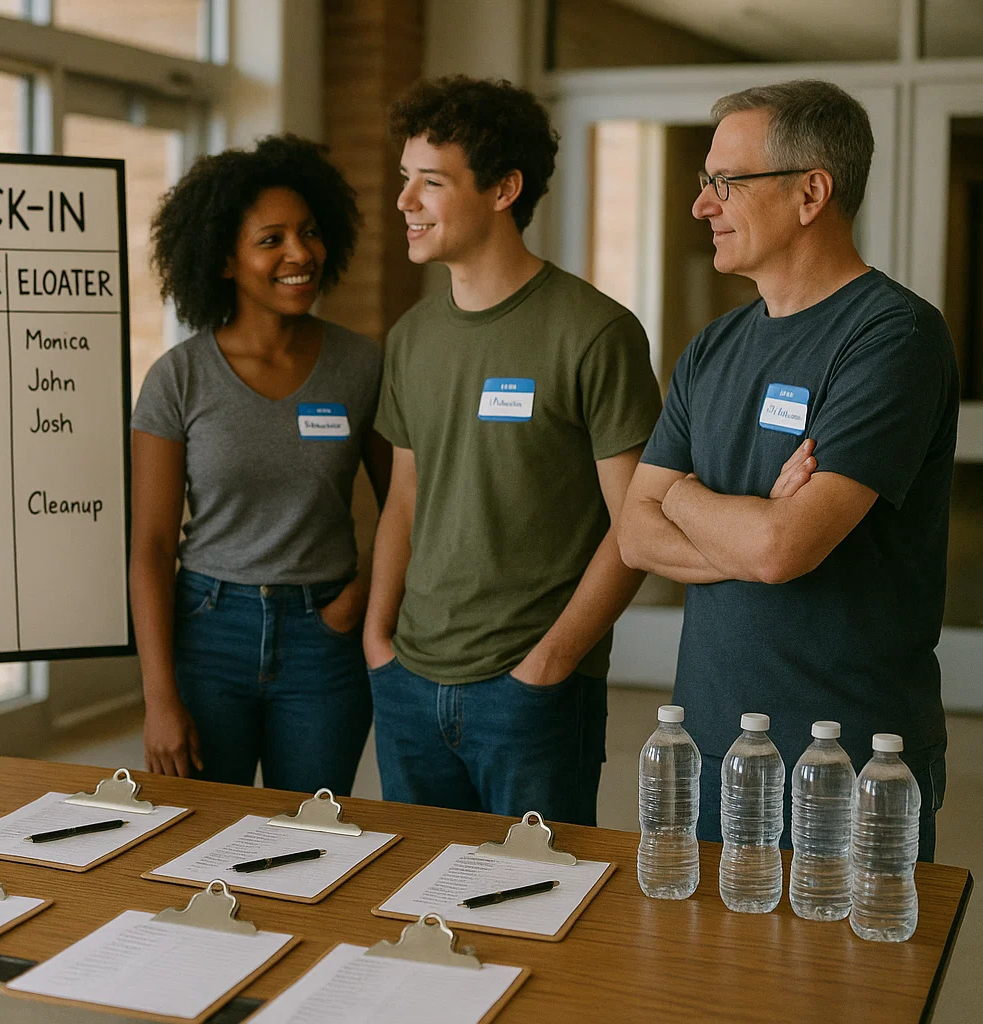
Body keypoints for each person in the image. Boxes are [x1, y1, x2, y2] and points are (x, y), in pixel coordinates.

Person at [617, 80, 956, 861]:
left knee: (842, 982)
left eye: (724, 183)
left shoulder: (894, 336)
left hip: (848, 761)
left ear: (811, 192)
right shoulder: (712, 347)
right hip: (705, 744)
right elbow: (636, 533)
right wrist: (746, 525)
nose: (703, 206)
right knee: (704, 978)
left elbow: (780, 549)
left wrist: (685, 493)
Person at [362, 77, 661, 825]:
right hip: (408, 681)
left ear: (504, 189)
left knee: (539, 916)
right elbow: (405, 497)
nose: (405, 202)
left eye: (430, 183)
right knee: (422, 910)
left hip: (530, 689)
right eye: (406, 179)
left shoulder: (596, 332)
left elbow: (637, 527)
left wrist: (550, 665)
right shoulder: (411, 338)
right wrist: (378, 638)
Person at [130, 134, 391, 794]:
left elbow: (408, 505)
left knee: (308, 841)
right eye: (271, 239)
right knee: (199, 832)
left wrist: (357, 601)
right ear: (223, 259)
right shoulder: (179, 378)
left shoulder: (361, 365)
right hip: (209, 632)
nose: (299, 253)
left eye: (307, 233)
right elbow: (153, 546)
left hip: (324, 641)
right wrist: (160, 698)